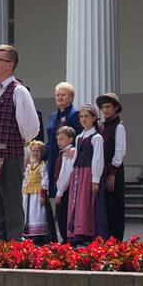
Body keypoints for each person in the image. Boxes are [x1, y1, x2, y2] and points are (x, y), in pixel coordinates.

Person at [0, 44, 40, 241]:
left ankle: (15, 240)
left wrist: (17, 141)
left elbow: (32, 126)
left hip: (10, 153)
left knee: (11, 199)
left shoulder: (19, 91)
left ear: (11, 65)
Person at [44, 81, 81, 242]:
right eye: (57, 94)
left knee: (65, 202)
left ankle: (68, 238)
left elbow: (80, 135)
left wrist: (76, 150)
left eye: (63, 94)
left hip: (67, 163)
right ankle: (57, 237)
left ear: (71, 97)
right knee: (55, 202)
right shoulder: (53, 116)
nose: (59, 97)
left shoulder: (74, 114)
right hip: (52, 162)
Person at [65, 104, 107, 245]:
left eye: (87, 116)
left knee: (87, 203)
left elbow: (98, 159)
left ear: (94, 118)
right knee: (77, 202)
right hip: (78, 173)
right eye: (81, 116)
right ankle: (77, 233)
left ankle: (87, 233)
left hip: (89, 173)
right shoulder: (79, 137)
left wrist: (95, 180)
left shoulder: (96, 138)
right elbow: (76, 156)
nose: (83, 119)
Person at [97, 92, 127, 241]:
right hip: (103, 171)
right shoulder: (102, 127)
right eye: (103, 107)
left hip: (114, 172)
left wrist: (112, 174)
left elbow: (120, 152)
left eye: (108, 107)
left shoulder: (118, 126)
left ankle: (116, 240)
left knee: (115, 206)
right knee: (106, 207)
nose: (105, 110)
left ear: (115, 108)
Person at [22, 140, 52, 243]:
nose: (35, 153)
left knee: (37, 213)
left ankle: (38, 236)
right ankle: (28, 235)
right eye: (33, 151)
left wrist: (43, 194)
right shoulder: (30, 165)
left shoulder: (42, 165)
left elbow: (45, 180)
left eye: (38, 151)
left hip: (37, 193)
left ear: (42, 152)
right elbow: (26, 178)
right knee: (28, 213)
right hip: (28, 193)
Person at [53, 125, 77, 239]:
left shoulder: (68, 153)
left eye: (62, 139)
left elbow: (65, 174)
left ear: (71, 139)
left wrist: (59, 192)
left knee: (63, 216)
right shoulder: (63, 152)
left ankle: (67, 239)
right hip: (62, 190)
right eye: (58, 139)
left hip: (65, 190)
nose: (59, 142)